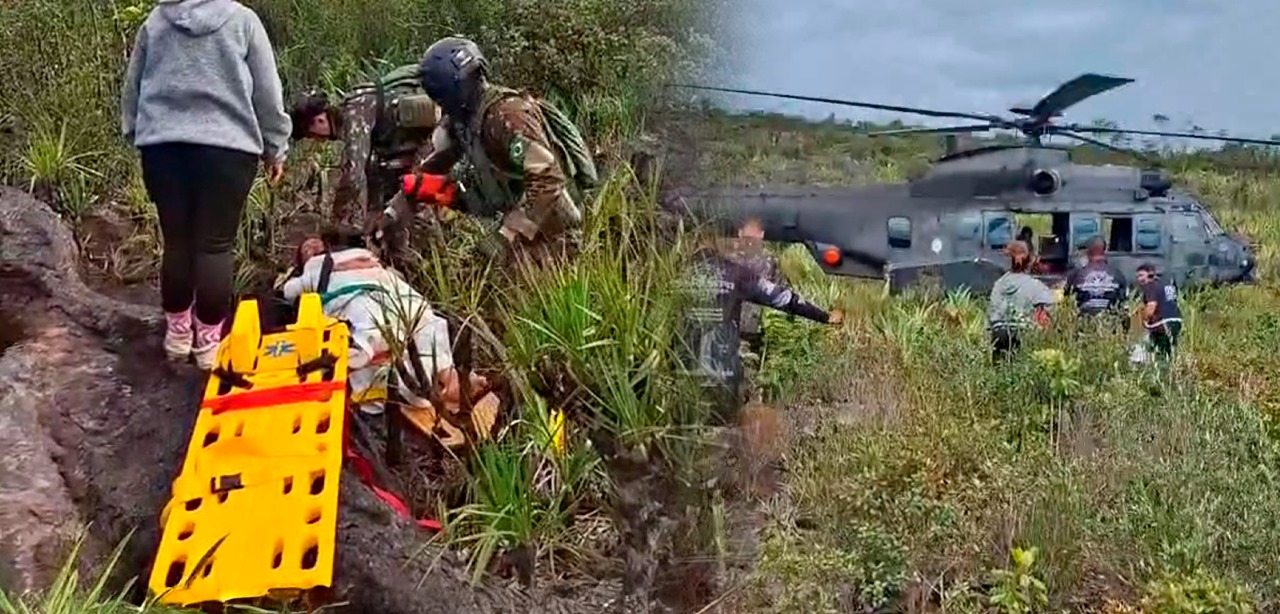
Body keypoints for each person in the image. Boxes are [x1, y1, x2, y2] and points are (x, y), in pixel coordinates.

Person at [120, 0, 291, 369]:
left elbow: (133, 85)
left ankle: (178, 336)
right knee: (215, 246)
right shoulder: (243, 21)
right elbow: (267, 93)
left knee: (177, 242)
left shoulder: (155, 22)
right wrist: (276, 147)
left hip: (163, 146)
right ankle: (209, 346)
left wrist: (138, 132)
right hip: (227, 150)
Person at [408, 36, 598, 265]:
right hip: (521, 227)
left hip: (551, 234)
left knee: (517, 294)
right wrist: (415, 186)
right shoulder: (468, 119)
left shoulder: (507, 118)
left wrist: (508, 234)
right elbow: (445, 156)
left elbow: (548, 177)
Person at [279, 235, 486, 416]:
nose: (312, 246)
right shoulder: (313, 268)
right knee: (376, 321)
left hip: (387, 286)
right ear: (302, 259)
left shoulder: (357, 254)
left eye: (315, 243)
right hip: (355, 292)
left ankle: (449, 376)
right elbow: (289, 292)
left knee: (424, 319)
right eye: (306, 248)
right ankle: (442, 381)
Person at [678, 238, 842, 422]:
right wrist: (824, 316)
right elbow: (783, 298)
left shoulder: (670, 271)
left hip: (676, 378)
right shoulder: (734, 273)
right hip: (722, 375)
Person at [289, 64, 441, 227]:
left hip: (429, 139)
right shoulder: (353, 111)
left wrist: (334, 223)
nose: (316, 140)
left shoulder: (353, 115)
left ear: (319, 120)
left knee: (415, 201)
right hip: (408, 143)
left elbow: (353, 177)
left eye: (311, 134)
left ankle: (432, 245)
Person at [987, 241, 1057, 361]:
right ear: (1029, 261)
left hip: (998, 336)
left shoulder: (998, 284)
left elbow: (991, 313)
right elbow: (1050, 307)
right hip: (1023, 335)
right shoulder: (1035, 285)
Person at [1064, 237, 1128, 328]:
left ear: (1088, 252)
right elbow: (1124, 307)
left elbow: (1065, 305)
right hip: (1110, 328)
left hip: (1084, 328)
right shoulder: (1118, 275)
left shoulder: (1076, 275)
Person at [1135, 263, 1183, 359]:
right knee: (1170, 351)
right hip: (1177, 320)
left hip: (1162, 323)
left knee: (1160, 353)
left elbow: (1151, 309)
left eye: (1141, 275)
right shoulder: (1166, 284)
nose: (1139, 279)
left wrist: (1142, 319)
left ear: (1150, 275)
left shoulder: (1151, 286)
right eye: (1137, 277)